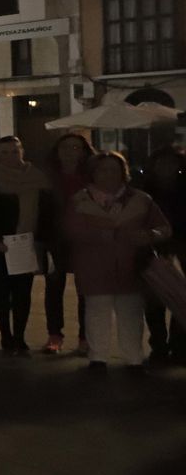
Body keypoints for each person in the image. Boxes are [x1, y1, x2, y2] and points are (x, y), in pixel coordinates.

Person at [66, 151, 171, 372]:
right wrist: (98, 234)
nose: (108, 175)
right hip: (94, 267)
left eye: (113, 169)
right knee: (96, 312)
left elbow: (164, 228)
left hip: (131, 267)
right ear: (93, 173)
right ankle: (98, 357)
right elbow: (72, 230)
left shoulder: (141, 200)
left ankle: (134, 358)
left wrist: (149, 235)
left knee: (131, 313)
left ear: (123, 172)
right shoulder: (80, 200)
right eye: (102, 169)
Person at [0, 136, 57, 355]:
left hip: (26, 242)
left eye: (14, 151)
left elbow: (46, 211)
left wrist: (42, 240)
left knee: (22, 292)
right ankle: (6, 336)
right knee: (0, 291)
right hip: (0, 244)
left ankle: (19, 336)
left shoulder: (36, 176)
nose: (11, 156)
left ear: (22, 151)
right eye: (5, 152)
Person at [43, 132, 95, 353]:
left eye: (76, 147)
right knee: (54, 287)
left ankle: (85, 337)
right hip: (55, 237)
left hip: (85, 238)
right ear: (57, 151)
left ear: (84, 151)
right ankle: (55, 336)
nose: (70, 152)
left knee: (85, 290)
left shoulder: (92, 175)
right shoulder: (47, 176)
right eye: (65, 147)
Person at [138, 146, 186, 363]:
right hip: (154, 248)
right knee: (154, 299)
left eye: (171, 163)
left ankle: (179, 345)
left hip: (182, 246)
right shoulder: (144, 190)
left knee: (181, 296)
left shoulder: (182, 187)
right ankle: (158, 345)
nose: (166, 168)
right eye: (161, 163)